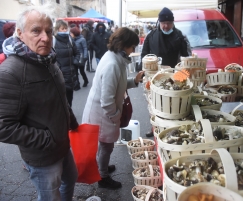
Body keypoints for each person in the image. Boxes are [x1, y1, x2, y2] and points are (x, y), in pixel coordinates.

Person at [0, 4, 79, 201]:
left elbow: (58, 97)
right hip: (43, 156)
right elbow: (3, 126)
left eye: (48, 31)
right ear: (20, 33)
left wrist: (71, 118)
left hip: (62, 144)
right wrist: (47, 140)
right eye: (36, 31)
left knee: (70, 180)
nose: (45, 37)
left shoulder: (47, 59)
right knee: (50, 197)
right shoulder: (11, 72)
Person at [82, 27, 144, 189]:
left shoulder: (115, 58)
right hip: (103, 114)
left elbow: (119, 85)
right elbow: (107, 100)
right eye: (132, 47)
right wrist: (116, 115)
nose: (133, 51)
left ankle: (102, 166)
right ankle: (102, 176)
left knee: (105, 145)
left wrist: (135, 81)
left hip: (103, 112)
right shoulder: (112, 64)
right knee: (106, 145)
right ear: (124, 45)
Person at [140, 7, 190, 137]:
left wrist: (180, 77)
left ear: (173, 23)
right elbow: (144, 56)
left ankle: (172, 130)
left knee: (173, 105)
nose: (166, 26)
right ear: (159, 22)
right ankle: (155, 127)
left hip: (176, 77)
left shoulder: (180, 36)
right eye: (163, 23)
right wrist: (146, 73)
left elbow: (186, 60)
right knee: (154, 104)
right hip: (155, 77)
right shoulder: (151, 36)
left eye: (168, 23)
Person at [53, 19, 80, 107]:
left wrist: (75, 62)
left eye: (65, 28)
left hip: (71, 74)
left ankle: (68, 117)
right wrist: (57, 67)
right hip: (59, 74)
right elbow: (51, 57)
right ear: (57, 29)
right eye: (62, 28)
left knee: (69, 99)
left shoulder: (70, 39)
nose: (64, 30)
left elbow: (77, 53)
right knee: (60, 100)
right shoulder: (54, 41)